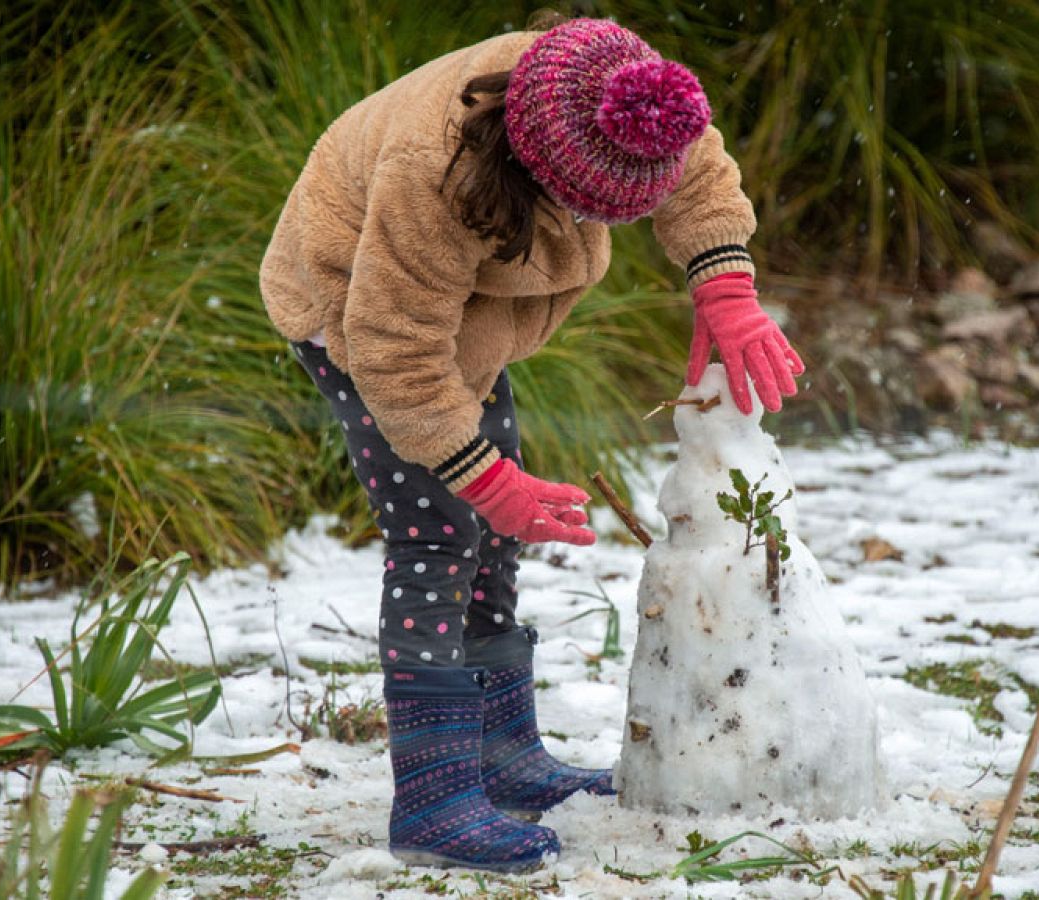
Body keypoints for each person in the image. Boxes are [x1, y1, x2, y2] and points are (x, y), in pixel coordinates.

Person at [259, 14, 803, 872]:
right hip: (356, 312)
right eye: (593, 210)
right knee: (441, 531)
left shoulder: (630, 89)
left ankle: (502, 759)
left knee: (495, 530)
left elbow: (698, 171)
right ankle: (435, 797)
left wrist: (724, 283)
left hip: (463, 319)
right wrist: (483, 477)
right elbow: (395, 352)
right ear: (540, 171)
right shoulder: (432, 175)